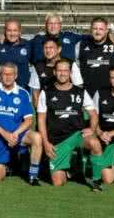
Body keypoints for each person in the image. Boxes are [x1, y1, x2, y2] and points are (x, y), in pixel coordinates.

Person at [36, 59, 97, 187]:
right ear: (54, 72)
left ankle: (93, 177)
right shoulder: (46, 92)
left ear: (70, 73)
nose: (62, 73)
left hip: (77, 135)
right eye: (59, 70)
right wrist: (46, 143)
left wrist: (92, 128)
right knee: (58, 183)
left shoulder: (80, 91)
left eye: (65, 70)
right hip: (57, 140)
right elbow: (41, 119)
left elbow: (93, 113)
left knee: (94, 143)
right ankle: (73, 169)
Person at [0, 63, 43, 185]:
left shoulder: (23, 93)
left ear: (16, 75)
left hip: (17, 135)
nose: (7, 77)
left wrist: (15, 133)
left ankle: (33, 175)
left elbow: (29, 120)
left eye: (11, 74)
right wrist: (5, 134)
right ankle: (12, 162)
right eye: (4, 74)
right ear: (0, 75)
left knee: (37, 137)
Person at [28, 38, 83, 104]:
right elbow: (35, 92)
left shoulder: (70, 64)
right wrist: (38, 110)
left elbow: (78, 87)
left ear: (59, 49)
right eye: (45, 48)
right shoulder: (38, 66)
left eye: (51, 47)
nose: (48, 50)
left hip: (67, 106)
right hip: (47, 107)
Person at [75, 16, 114, 99]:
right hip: (86, 93)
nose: (97, 32)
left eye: (101, 29)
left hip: (109, 93)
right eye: (95, 28)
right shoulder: (80, 45)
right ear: (91, 29)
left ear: (106, 31)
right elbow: (75, 67)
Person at [0, 19, 32, 89]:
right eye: (9, 30)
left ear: (20, 31)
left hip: (22, 89)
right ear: (4, 31)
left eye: (15, 30)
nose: (12, 34)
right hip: (2, 89)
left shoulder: (28, 45)